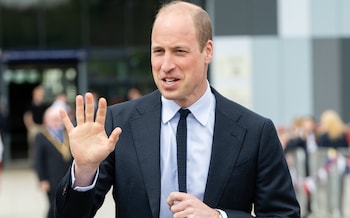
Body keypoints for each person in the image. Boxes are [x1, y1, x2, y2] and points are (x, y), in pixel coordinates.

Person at [55, 1, 300, 217]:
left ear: (208, 51)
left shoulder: (255, 132)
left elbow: (283, 215)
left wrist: (218, 217)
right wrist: (85, 171)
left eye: (179, 51)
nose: (166, 65)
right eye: (158, 51)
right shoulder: (119, 123)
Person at [34, 106, 72, 218]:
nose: (57, 122)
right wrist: (42, 179)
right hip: (52, 178)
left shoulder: (67, 134)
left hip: (67, 176)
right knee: (54, 206)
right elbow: (38, 160)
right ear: (46, 120)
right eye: (54, 119)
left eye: (58, 119)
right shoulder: (41, 136)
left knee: (68, 206)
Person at [23, 85, 50, 160]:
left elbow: (47, 116)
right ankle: (34, 162)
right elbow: (27, 117)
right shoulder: (30, 105)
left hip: (44, 127)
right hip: (34, 127)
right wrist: (31, 127)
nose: (41, 95)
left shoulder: (45, 106)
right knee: (34, 146)